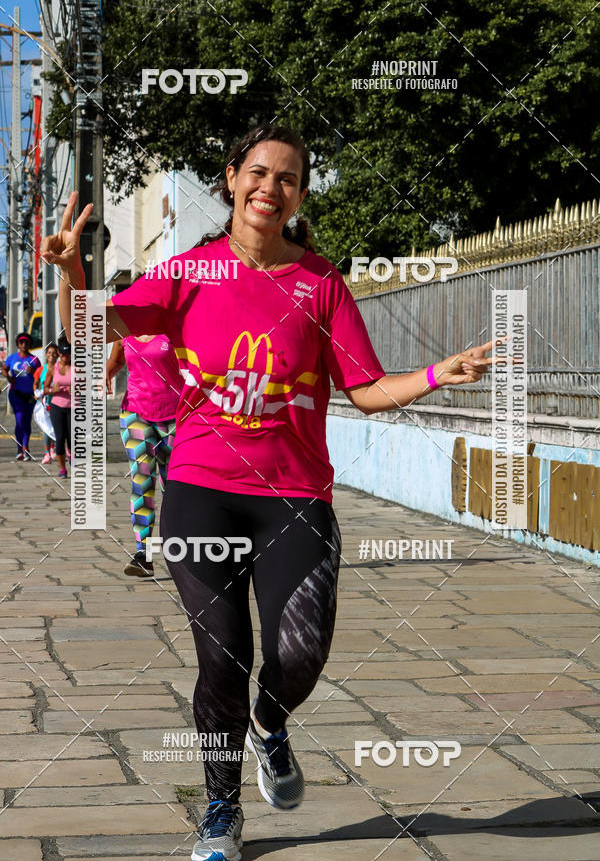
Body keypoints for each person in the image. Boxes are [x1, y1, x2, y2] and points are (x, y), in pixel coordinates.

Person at [43, 125, 496, 861]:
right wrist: (72, 275)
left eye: (287, 178)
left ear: (300, 194)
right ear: (230, 179)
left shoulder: (321, 283)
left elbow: (368, 388)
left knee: (302, 654)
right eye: (257, 173)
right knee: (221, 658)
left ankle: (271, 725)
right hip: (200, 488)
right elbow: (98, 335)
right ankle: (220, 810)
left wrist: (438, 375)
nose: (270, 188)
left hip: (295, 496)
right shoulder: (189, 272)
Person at [106, 334, 181, 577]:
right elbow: (116, 361)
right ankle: (143, 554)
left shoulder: (172, 326)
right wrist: (107, 373)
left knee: (175, 487)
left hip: (176, 416)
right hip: (135, 413)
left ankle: (178, 552)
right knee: (142, 480)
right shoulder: (124, 332)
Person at [2, 332, 41, 460]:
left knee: (27, 421)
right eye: (21, 342)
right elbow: (4, 368)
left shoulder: (34, 360)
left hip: (30, 395)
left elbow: (42, 374)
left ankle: (26, 447)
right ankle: (19, 449)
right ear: (18, 344)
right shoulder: (12, 358)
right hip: (16, 394)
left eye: (26, 342)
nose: (23, 344)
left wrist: (34, 371)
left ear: (30, 344)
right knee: (19, 421)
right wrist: (8, 377)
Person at [44, 339, 72, 478]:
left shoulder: (77, 368)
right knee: (60, 438)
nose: (66, 356)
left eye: (68, 354)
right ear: (59, 353)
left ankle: (72, 456)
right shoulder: (52, 368)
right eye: (63, 354)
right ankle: (62, 469)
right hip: (57, 406)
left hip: (74, 407)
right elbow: (44, 389)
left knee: (73, 438)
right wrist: (51, 390)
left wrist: (79, 389)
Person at [35, 343, 59, 462]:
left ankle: (52, 448)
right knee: (46, 427)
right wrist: (36, 393)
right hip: (45, 401)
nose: (51, 355)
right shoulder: (41, 369)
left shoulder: (61, 368)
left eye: (54, 353)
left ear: (58, 354)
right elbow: (35, 383)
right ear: (46, 355)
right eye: (49, 353)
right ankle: (46, 453)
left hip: (57, 400)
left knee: (55, 425)